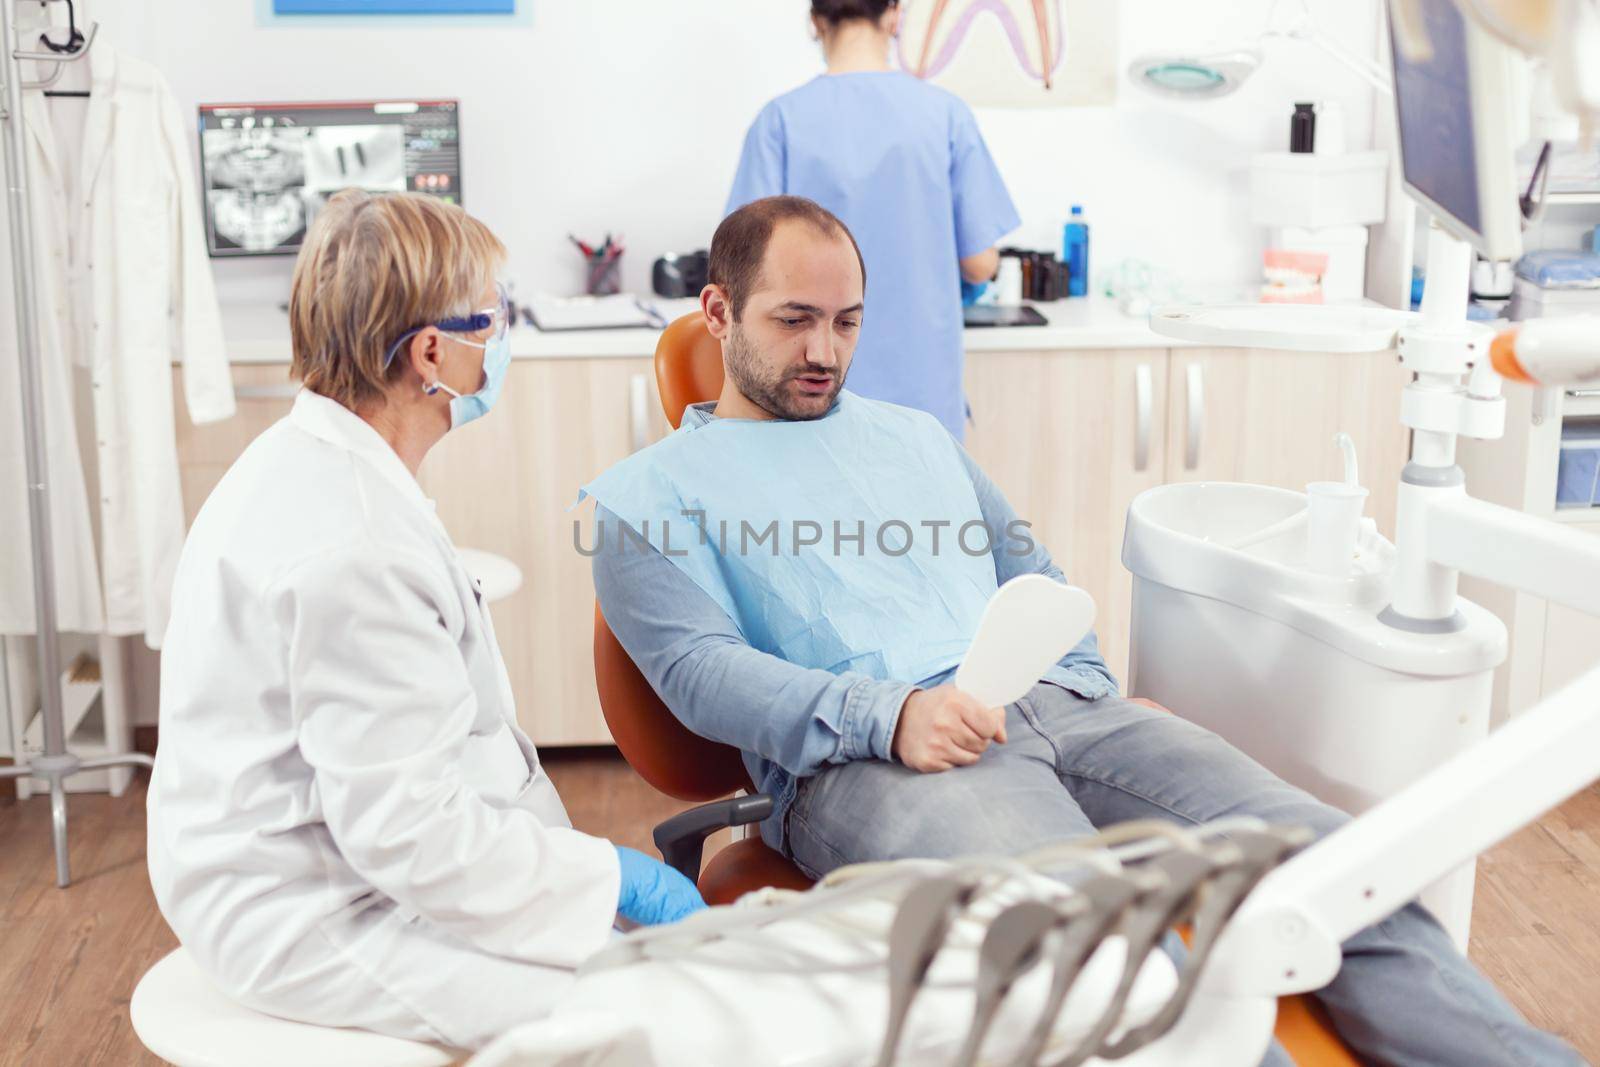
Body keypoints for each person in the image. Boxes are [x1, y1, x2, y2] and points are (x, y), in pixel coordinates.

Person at [583, 195, 1583, 1067]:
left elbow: (1031, 571)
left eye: (846, 320)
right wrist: (889, 715)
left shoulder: (913, 436)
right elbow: (700, 675)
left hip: (1061, 711)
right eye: (793, 319)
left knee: (1339, 871)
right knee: (1115, 956)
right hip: (877, 760)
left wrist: (1086, 686)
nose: (824, 352)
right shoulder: (646, 500)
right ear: (717, 312)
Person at [147, 190, 703, 1051]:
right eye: (497, 314)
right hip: (312, 909)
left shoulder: (326, 462)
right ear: (432, 352)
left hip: (353, 858)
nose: (504, 335)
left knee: (637, 964)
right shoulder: (354, 541)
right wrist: (607, 874)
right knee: (642, 1016)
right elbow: (410, 836)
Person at [725, 0, 1018, 439]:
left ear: (815, 21)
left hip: (807, 394)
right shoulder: (945, 115)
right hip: (921, 401)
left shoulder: (780, 122)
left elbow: (741, 269)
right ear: (895, 16)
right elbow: (980, 262)